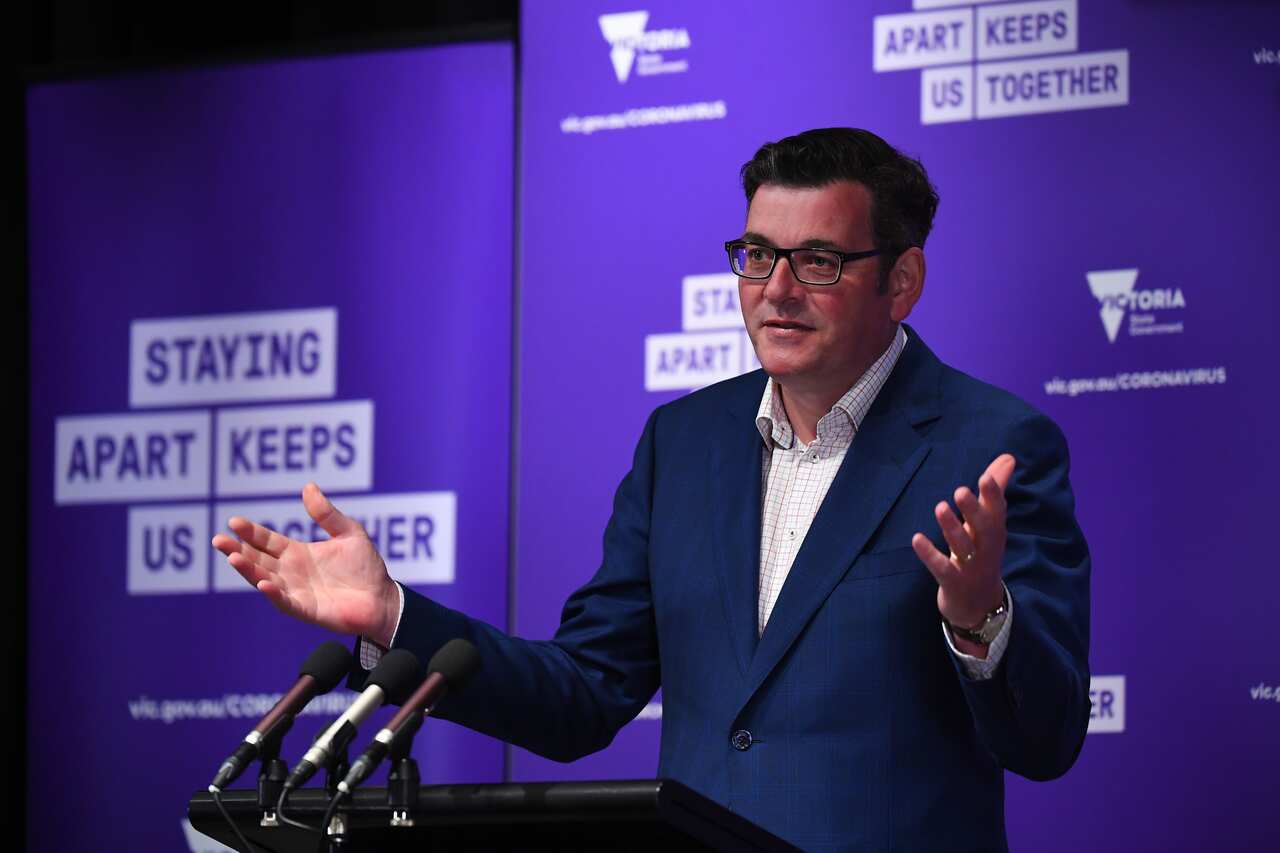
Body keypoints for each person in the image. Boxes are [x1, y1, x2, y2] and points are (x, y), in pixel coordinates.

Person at [213, 127, 1090, 852]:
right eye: (756, 255)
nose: (775, 291)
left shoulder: (992, 448)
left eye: (817, 260)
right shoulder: (683, 444)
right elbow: (585, 692)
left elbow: (1045, 739)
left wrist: (981, 620)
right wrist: (394, 615)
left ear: (901, 281)